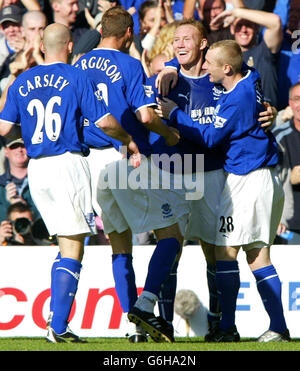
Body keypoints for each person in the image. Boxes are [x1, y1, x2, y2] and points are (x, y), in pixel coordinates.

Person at [0, 22, 140, 343]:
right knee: (73, 245)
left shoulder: (21, 81)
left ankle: (58, 320)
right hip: (66, 163)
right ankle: (58, 326)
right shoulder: (77, 75)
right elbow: (104, 121)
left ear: (43, 46)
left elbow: (4, 127)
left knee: (65, 244)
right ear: (69, 46)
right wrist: (128, 139)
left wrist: (13, 90)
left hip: (37, 170)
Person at [151, 18, 276, 341]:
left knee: (218, 250)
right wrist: (165, 69)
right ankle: (165, 323)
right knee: (173, 248)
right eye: (175, 40)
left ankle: (223, 322)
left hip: (218, 174)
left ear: (203, 44)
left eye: (187, 39)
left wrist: (270, 110)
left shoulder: (222, 81)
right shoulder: (166, 78)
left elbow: (246, 82)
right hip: (175, 174)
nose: (179, 45)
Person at [75, 6, 189, 343]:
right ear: (128, 33)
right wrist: (169, 134)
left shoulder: (79, 62)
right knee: (173, 231)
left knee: (120, 245)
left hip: (89, 165)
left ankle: (133, 328)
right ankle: (145, 303)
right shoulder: (128, 63)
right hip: (122, 157)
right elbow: (144, 116)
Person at [210, 0, 283, 108]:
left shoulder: (264, 50)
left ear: (256, 29)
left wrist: (236, 13)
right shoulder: (224, 57)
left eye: (248, 25)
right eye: (239, 25)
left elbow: (275, 22)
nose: (243, 30)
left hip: (268, 118)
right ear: (232, 29)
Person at [272, 83, 300, 245]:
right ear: (290, 104)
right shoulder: (279, 137)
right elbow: (275, 182)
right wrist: (278, 217)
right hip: (291, 224)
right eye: (297, 99)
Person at [0, 129, 40, 223]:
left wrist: (26, 207)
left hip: (37, 236)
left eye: (23, 146)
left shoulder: (41, 181)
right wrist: (9, 206)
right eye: (14, 146)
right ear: (6, 151)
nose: (19, 150)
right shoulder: (1, 185)